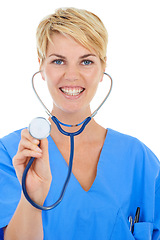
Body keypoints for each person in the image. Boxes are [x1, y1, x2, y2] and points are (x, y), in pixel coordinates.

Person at [0, 7, 160, 240]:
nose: (72, 75)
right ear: (41, 67)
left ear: (103, 67)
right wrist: (31, 198)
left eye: (86, 61)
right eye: (58, 61)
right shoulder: (12, 153)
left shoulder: (139, 158)